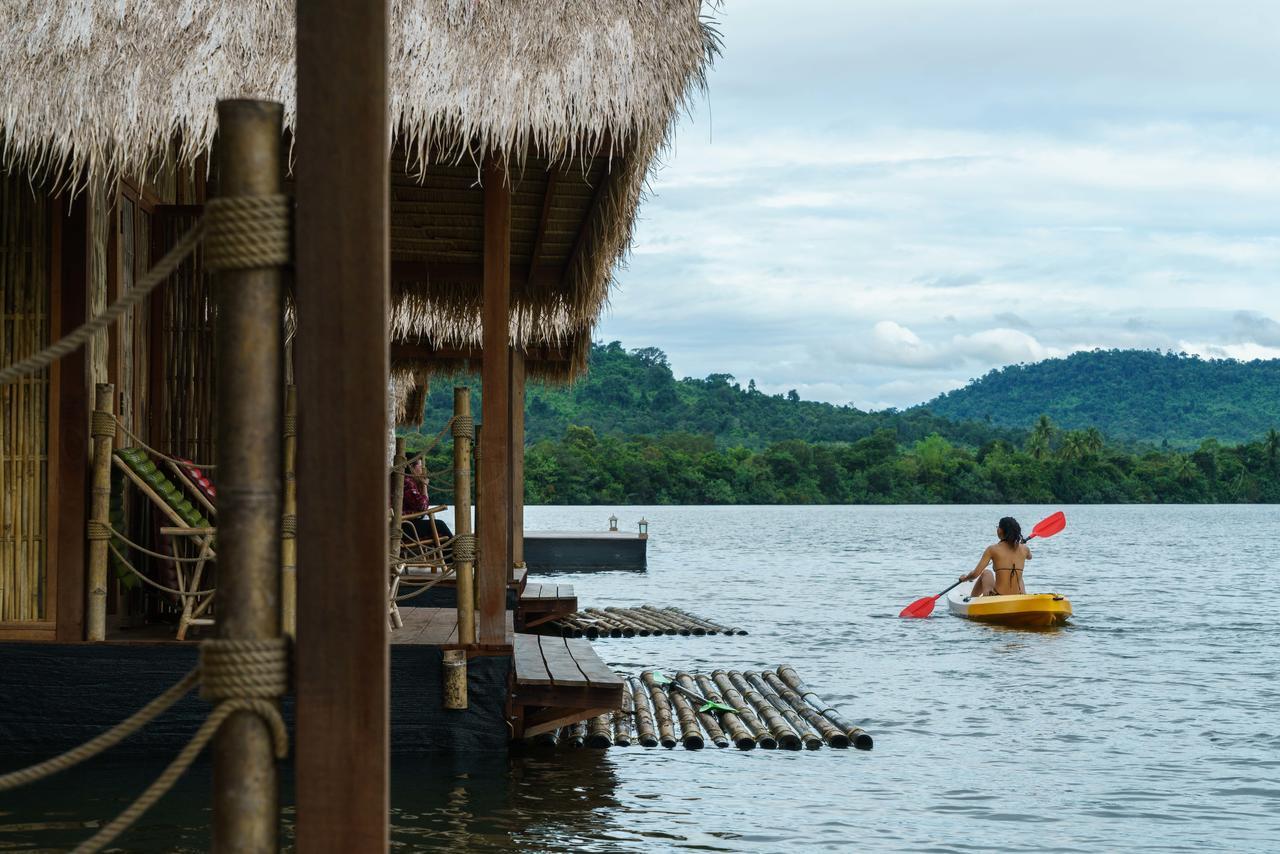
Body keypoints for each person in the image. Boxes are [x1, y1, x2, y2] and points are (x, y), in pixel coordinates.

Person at [959, 516, 1030, 597]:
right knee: (1018, 574)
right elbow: (1029, 557)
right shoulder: (1025, 549)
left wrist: (965, 578)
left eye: (998, 527)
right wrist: (1020, 544)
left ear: (1000, 530)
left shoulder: (992, 549)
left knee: (986, 573)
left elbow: (975, 574)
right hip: (1018, 596)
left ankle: (972, 600)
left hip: (998, 596)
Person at [399, 455, 452, 551]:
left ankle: (451, 558)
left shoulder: (403, 480)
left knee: (438, 526)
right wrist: (424, 486)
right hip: (404, 528)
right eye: (420, 466)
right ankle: (454, 559)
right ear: (411, 467)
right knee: (440, 525)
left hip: (401, 525)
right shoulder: (407, 482)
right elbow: (423, 506)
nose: (423, 470)